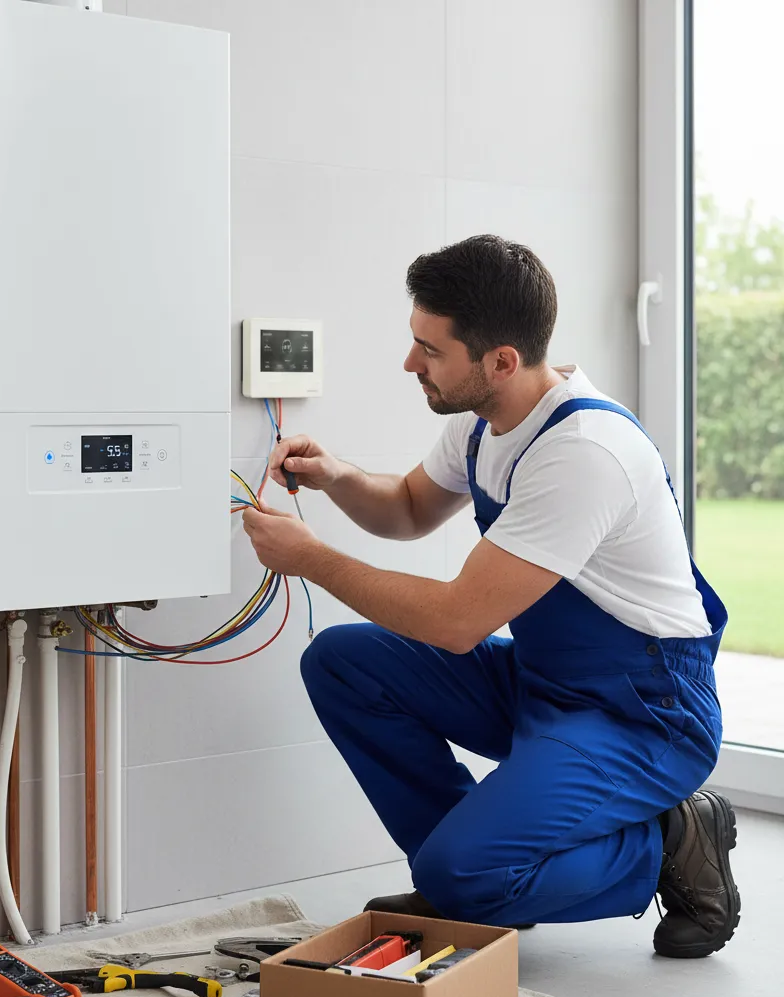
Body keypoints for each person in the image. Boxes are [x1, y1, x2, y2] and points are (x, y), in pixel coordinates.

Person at [241, 234, 738, 959]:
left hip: (644, 714)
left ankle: (666, 840)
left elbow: (457, 622)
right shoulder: (490, 421)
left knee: (461, 871)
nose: (411, 363)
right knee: (343, 661)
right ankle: (481, 879)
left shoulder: (584, 454)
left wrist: (312, 559)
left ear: (500, 360)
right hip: (546, 684)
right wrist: (338, 475)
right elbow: (409, 508)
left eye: (430, 350)